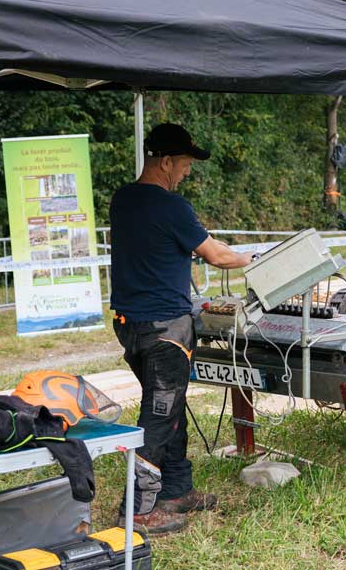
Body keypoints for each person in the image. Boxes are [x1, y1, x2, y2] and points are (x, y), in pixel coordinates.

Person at [110, 123, 254, 534]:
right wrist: (251, 257)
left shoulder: (123, 200)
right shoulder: (172, 207)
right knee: (160, 415)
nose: (187, 172)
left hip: (131, 324)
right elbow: (216, 256)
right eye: (186, 164)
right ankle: (137, 510)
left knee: (170, 408)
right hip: (165, 330)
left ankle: (176, 489)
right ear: (166, 161)